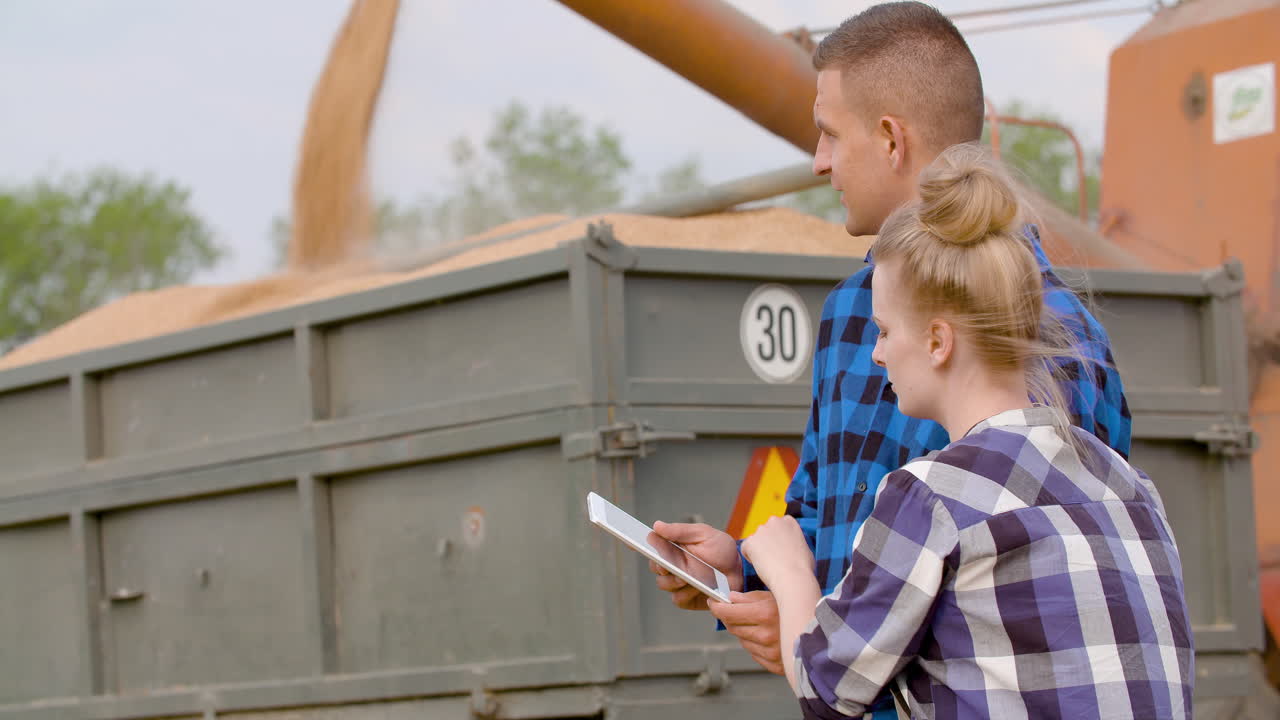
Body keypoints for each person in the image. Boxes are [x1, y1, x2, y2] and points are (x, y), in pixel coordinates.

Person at [647, 2, 1131, 717]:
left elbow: (1052, 601)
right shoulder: (850, 312)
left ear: (890, 140)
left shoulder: (1057, 337)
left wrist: (820, 644)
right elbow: (822, 515)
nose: (819, 161)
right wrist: (745, 570)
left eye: (829, 133)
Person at [740, 143, 1193, 718]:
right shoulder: (1129, 486)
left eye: (883, 331)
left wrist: (787, 572)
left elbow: (825, 689)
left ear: (937, 341)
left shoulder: (929, 498)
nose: (876, 354)